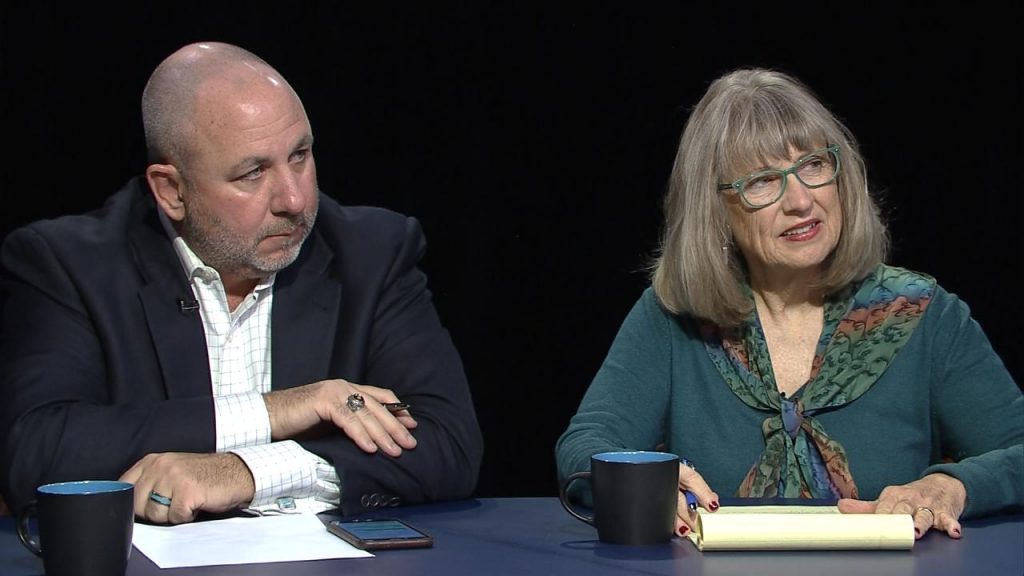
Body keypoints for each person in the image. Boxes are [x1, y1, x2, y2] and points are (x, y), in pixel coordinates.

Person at [0, 41, 483, 524]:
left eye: (300, 155)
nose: (294, 199)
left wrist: (246, 471)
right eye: (253, 173)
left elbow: (448, 442)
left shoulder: (371, 252)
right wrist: (279, 411)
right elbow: (37, 451)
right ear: (171, 190)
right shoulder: (69, 263)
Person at [555, 67, 1022, 541]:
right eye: (761, 181)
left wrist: (951, 484)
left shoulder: (925, 315)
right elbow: (584, 447)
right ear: (715, 210)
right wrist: (643, 482)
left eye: (814, 166)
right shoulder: (672, 318)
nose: (800, 200)